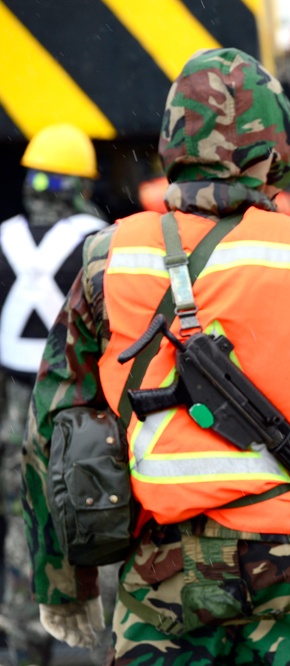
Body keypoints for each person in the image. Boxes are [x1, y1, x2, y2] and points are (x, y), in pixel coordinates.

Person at [21, 48, 290, 665]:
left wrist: (62, 581)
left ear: (172, 142)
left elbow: (53, 424)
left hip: (160, 579)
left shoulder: (109, 258)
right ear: (279, 145)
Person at [0, 122, 108, 665]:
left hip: (7, 407)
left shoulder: (2, 238)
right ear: (82, 184)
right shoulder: (99, 243)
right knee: (65, 518)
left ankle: (19, 639)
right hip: (68, 413)